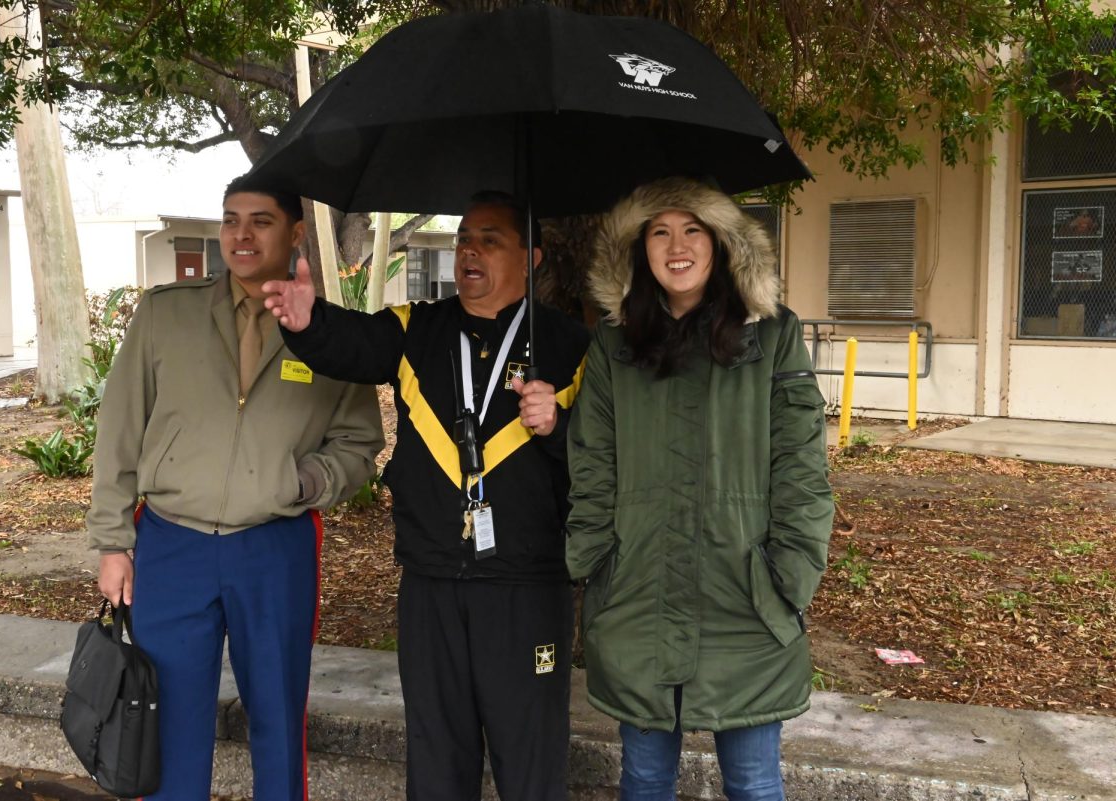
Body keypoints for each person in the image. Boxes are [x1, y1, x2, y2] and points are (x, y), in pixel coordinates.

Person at [262, 191, 590, 801]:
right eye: (466, 237)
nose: (470, 249)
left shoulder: (572, 348)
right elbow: (356, 344)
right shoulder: (420, 327)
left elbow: (600, 470)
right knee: (437, 761)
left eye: (491, 239)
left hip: (527, 588)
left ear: (532, 258)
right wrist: (309, 323)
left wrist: (558, 428)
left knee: (532, 765)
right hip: (432, 582)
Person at [88, 174, 384, 801]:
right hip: (172, 546)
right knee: (167, 720)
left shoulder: (334, 336)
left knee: (278, 718)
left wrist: (306, 480)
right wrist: (113, 541)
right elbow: (117, 431)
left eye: (261, 221)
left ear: (295, 232)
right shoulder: (165, 314)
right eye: (230, 220)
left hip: (273, 550)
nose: (241, 235)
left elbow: (361, 445)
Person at [565, 176, 834, 801]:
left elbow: (801, 466)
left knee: (753, 782)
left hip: (746, 594)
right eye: (659, 231)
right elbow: (592, 465)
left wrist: (790, 573)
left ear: (721, 244)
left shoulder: (772, 337)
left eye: (692, 230)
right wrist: (597, 561)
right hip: (639, 592)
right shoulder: (613, 348)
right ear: (638, 249)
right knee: (645, 779)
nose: (676, 245)